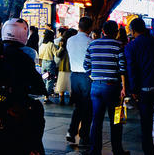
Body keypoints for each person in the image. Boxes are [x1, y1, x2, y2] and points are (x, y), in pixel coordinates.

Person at [1, 18, 47, 154]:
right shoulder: (26, 55)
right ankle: (33, 149)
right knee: (37, 111)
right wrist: (43, 89)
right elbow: (35, 80)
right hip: (15, 100)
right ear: (23, 34)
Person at [84, 20, 129, 155]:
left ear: (103, 31)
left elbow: (86, 65)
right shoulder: (118, 45)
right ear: (116, 32)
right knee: (116, 120)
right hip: (113, 88)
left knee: (96, 121)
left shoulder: (92, 45)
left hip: (96, 87)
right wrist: (124, 88)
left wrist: (95, 77)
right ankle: (117, 150)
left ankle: (95, 151)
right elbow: (122, 68)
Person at [125, 18, 154, 155]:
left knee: (146, 125)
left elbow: (131, 69)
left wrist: (133, 90)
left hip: (143, 90)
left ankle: (148, 152)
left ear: (132, 30)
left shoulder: (131, 46)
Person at [66, 16, 93, 146]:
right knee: (87, 107)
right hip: (86, 77)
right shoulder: (90, 42)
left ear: (79, 26)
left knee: (78, 106)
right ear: (90, 28)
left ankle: (71, 132)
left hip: (74, 76)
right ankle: (84, 136)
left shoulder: (70, 40)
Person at [55, 28, 77, 105]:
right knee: (70, 85)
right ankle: (71, 100)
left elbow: (57, 54)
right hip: (71, 66)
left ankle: (61, 100)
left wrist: (61, 47)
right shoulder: (74, 43)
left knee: (62, 83)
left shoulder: (62, 43)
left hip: (63, 66)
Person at [39, 29, 58, 103]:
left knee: (45, 79)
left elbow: (40, 54)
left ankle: (45, 96)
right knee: (50, 80)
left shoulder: (43, 45)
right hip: (50, 63)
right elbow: (56, 54)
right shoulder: (51, 44)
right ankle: (46, 98)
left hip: (43, 63)